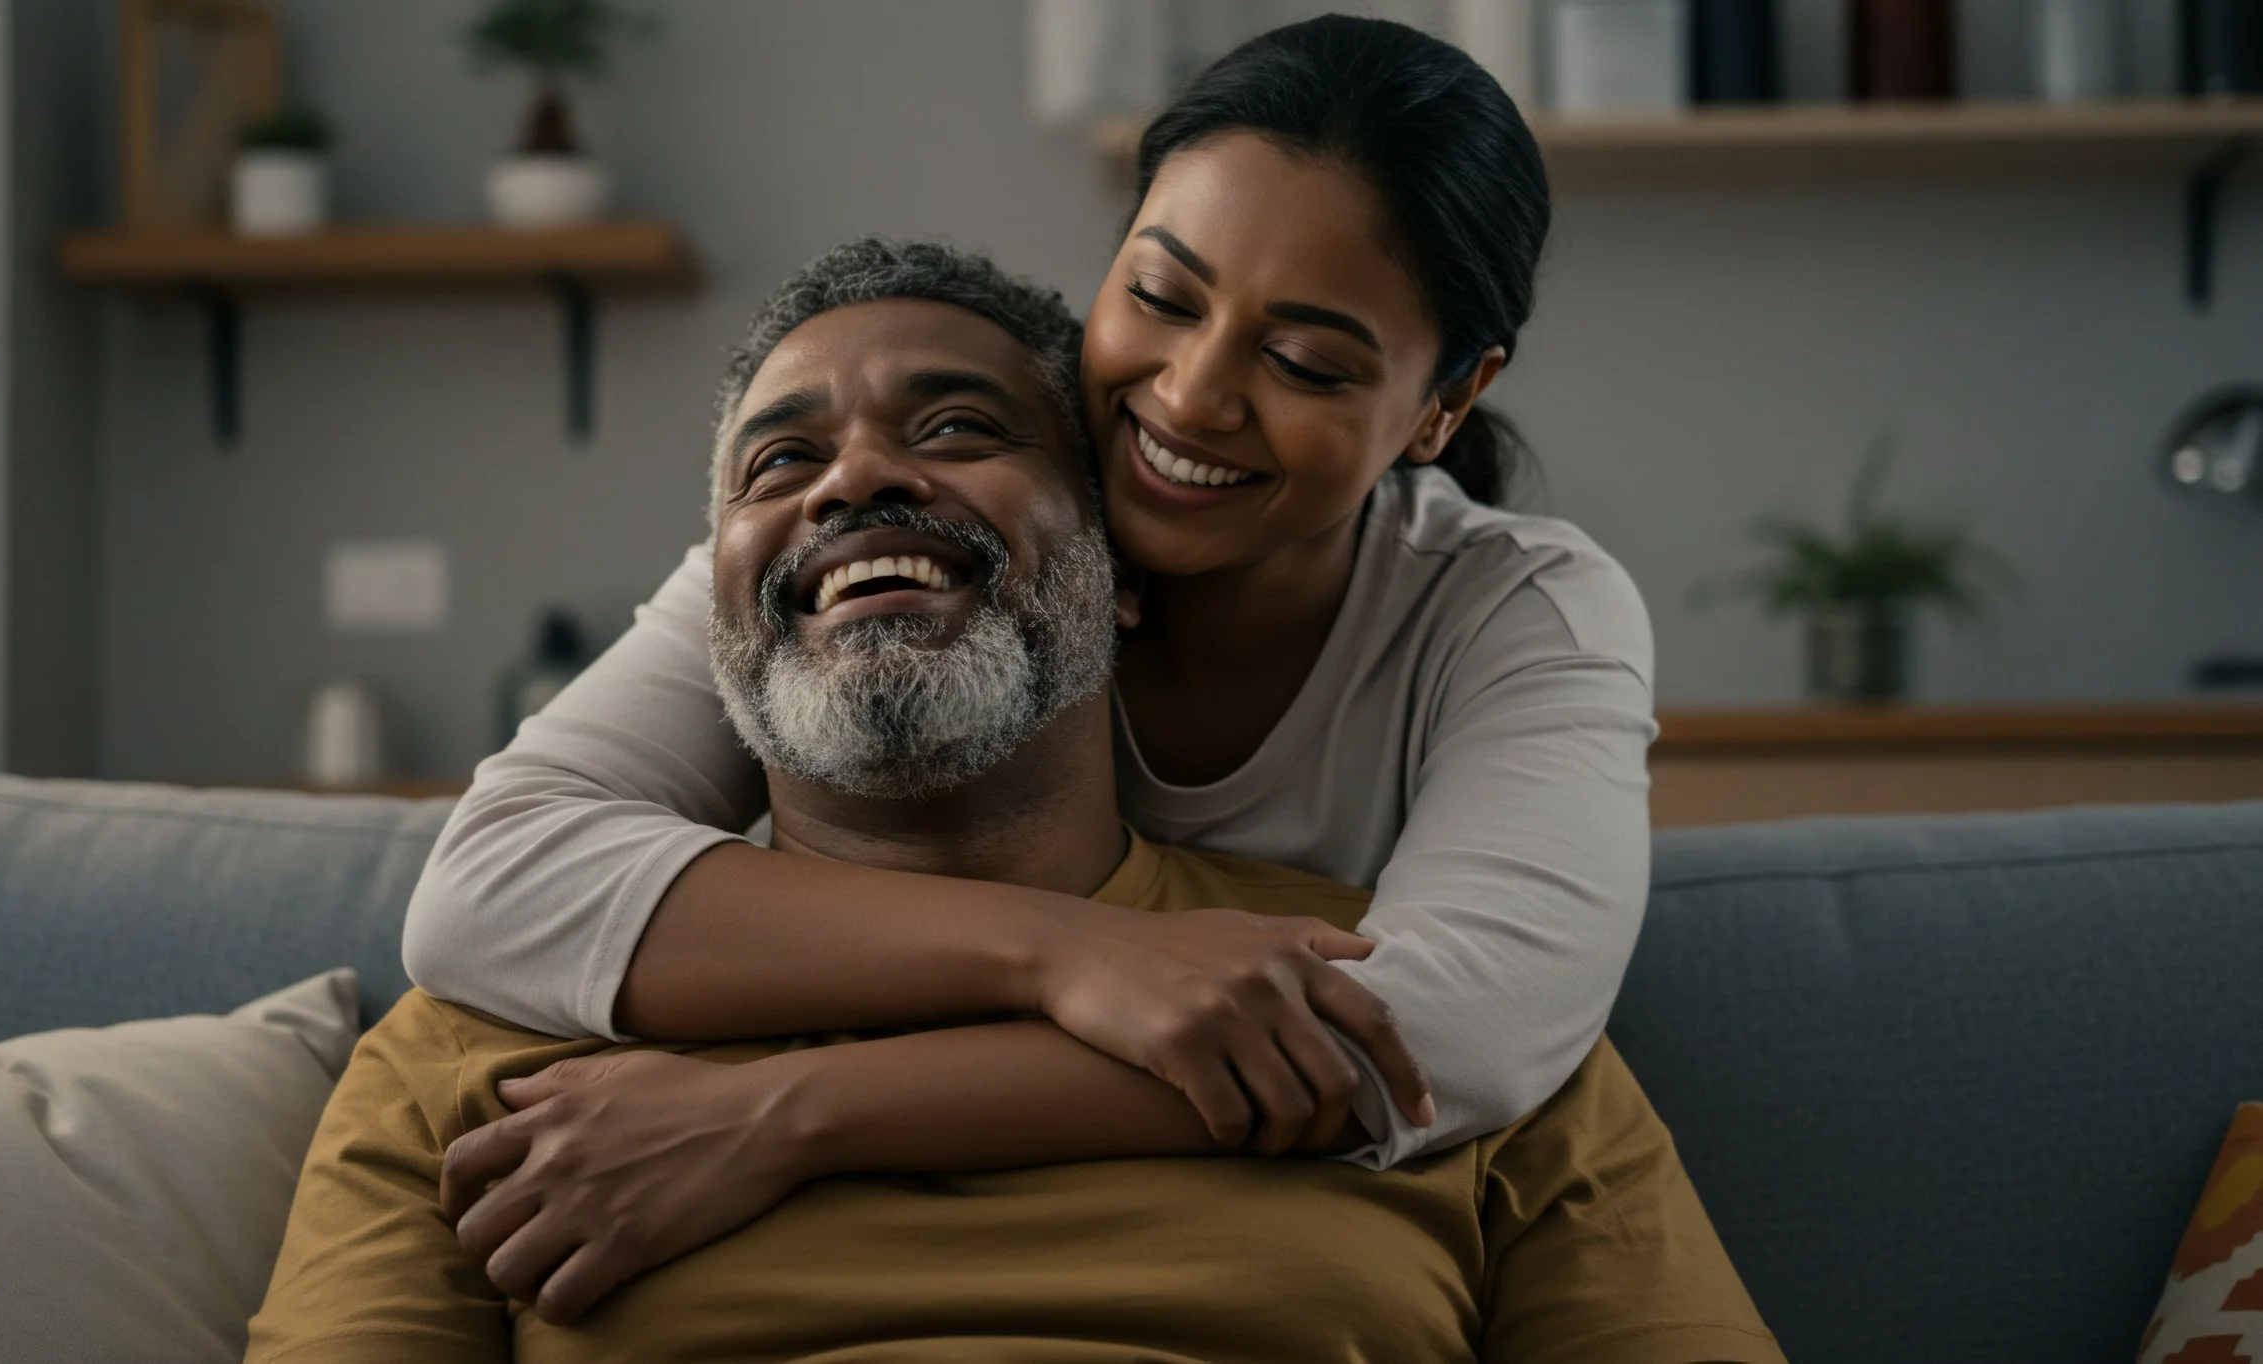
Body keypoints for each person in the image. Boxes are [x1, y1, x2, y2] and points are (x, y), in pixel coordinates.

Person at [246, 249, 1779, 1363]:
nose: (851, 484)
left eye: (959, 429)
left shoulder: (1396, 996)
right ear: (709, 622)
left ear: (1122, 583)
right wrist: (1064, 955)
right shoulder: (487, 1034)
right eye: (780, 461)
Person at [406, 12, 1656, 1299]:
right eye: (1160, 296)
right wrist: (1066, 952)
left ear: (1445, 401)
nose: (1186, 399)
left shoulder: (1519, 613)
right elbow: (494, 880)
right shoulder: (969, 515)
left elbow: (1446, 1032)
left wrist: (788, 1112)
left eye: (1302, 362)